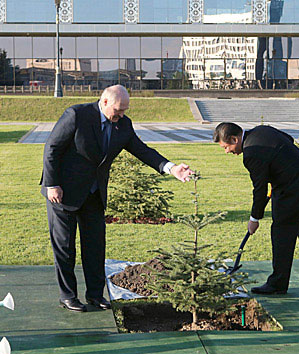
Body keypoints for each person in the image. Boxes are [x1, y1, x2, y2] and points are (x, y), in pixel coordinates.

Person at [40, 83, 193, 312]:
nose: (121, 115)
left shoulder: (123, 125)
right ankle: (68, 296)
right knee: (65, 247)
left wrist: (170, 168)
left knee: (95, 247)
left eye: (125, 111)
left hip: (94, 194)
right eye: (118, 110)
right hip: (62, 193)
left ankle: (95, 295)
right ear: (104, 102)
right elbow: (52, 148)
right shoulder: (76, 115)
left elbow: (142, 150)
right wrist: (52, 184)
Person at [214, 120, 299, 297]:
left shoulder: (251, 153)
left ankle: (277, 284)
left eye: (226, 147)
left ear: (235, 139)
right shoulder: (261, 130)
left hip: (295, 190)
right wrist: (279, 168)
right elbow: (288, 140)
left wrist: (254, 219)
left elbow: (259, 189)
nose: (227, 151)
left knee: (281, 233)